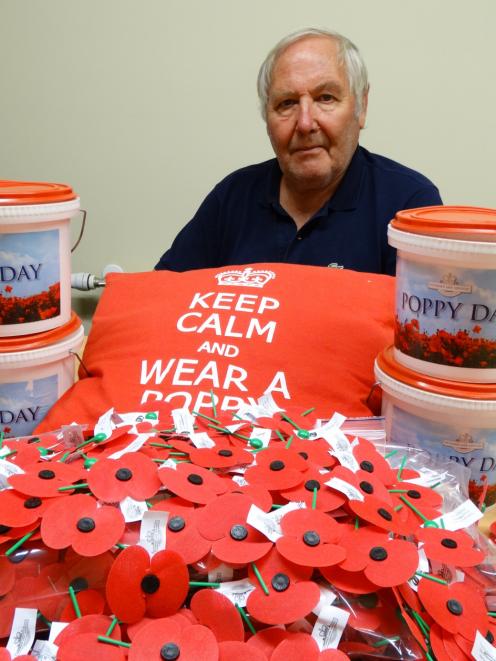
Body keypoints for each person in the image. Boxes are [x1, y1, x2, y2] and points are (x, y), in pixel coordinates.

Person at [155, 28, 442, 275]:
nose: (305, 123)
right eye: (287, 103)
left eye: (325, 98)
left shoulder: (409, 205)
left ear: (361, 107)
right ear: (266, 117)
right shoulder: (232, 197)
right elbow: (163, 297)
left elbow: (426, 331)